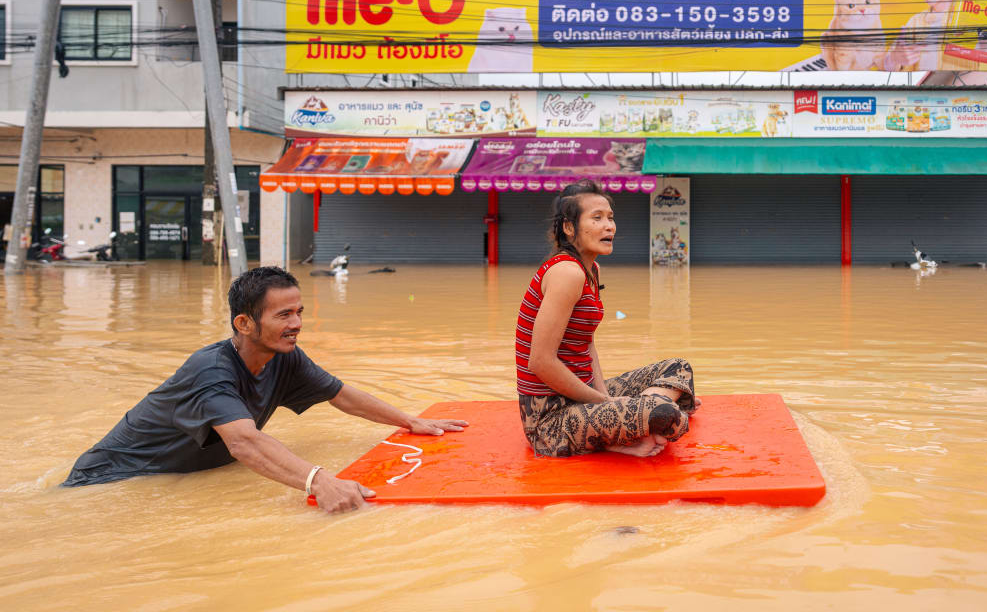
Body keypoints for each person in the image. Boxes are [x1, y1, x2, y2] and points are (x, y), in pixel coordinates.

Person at [63, 266, 467, 513]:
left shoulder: (284, 356)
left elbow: (340, 395)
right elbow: (244, 443)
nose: (297, 323)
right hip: (111, 481)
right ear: (244, 323)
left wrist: (410, 420)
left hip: (171, 478)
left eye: (299, 312)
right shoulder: (210, 370)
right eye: (284, 314)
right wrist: (320, 480)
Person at [515, 179, 696, 458]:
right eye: (597, 218)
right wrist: (607, 403)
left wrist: (607, 402)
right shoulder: (567, 273)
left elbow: (587, 344)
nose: (609, 226)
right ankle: (635, 427)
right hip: (549, 422)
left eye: (610, 218)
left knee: (678, 368)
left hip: (581, 394)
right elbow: (540, 361)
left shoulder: (591, 269)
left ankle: (630, 429)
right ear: (569, 227)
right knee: (664, 412)